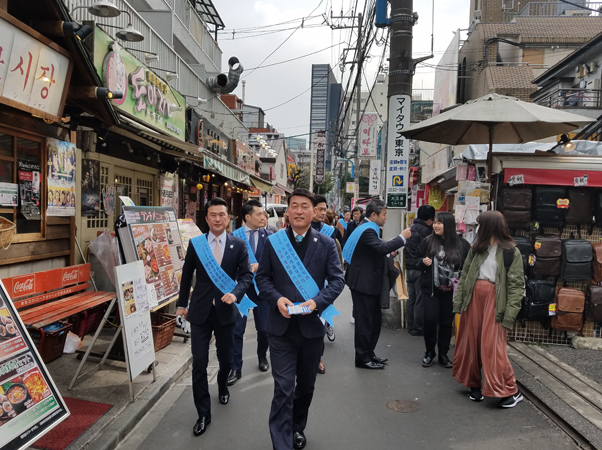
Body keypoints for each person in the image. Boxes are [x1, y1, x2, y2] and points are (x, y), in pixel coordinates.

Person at [256, 189, 344, 450]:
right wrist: (277, 299)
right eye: (293, 206)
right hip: (280, 328)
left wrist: (316, 302)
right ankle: (281, 443)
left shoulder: (326, 244)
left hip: (311, 328)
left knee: (305, 386)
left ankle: (296, 427)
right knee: (283, 387)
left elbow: (338, 280)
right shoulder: (274, 242)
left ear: (313, 210)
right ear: (288, 210)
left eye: (304, 206)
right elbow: (262, 278)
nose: (298, 211)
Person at [176, 197, 253, 437]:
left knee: (226, 359)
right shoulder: (196, 243)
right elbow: (187, 275)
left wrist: (235, 293)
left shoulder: (238, 245)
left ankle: (221, 385)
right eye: (213, 215)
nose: (218, 219)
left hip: (225, 311)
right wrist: (181, 304)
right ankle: (203, 413)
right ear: (206, 218)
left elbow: (246, 277)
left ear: (228, 218)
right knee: (199, 362)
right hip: (199, 311)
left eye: (222, 214)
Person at [452, 211, 525, 408]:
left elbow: (517, 286)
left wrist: (509, 315)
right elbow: (466, 275)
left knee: (492, 347)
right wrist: (458, 304)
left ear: (488, 227)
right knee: (470, 342)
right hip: (474, 296)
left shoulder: (511, 251)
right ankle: (474, 384)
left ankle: (510, 389)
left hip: (496, 299)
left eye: (479, 225)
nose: (476, 228)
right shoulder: (477, 248)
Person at [344, 199, 411, 369]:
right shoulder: (367, 230)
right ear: (374, 215)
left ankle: (369, 353)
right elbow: (381, 248)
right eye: (384, 214)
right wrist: (402, 237)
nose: (386, 217)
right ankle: (362, 358)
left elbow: (377, 249)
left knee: (373, 322)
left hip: (368, 282)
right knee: (365, 323)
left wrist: (390, 251)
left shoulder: (368, 228)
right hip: (363, 284)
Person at [417, 212, 470, 368]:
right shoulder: (428, 241)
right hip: (431, 290)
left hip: (451, 291)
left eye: (440, 223)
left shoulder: (462, 244)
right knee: (430, 320)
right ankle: (429, 352)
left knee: (447, 322)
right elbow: (415, 260)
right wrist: (422, 262)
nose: (436, 225)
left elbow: (468, 266)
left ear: (449, 225)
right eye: (435, 223)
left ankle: (443, 353)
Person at [228, 199, 271, 386]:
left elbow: (275, 264)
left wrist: (259, 266)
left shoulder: (269, 237)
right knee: (237, 330)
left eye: (264, 214)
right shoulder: (234, 237)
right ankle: (235, 367)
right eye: (259, 214)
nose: (264, 217)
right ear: (247, 217)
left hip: (262, 291)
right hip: (242, 291)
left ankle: (262, 357)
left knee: (264, 329)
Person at [404, 204, 436, 336]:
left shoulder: (410, 228)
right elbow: (429, 250)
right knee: (420, 298)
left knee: (411, 297)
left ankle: (410, 324)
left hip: (409, 267)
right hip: (420, 267)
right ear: (430, 218)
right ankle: (418, 327)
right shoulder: (426, 232)